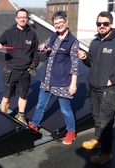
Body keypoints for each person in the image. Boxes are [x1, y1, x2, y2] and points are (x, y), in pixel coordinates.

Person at [78, 11, 115, 164]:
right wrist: (85, 59)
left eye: (105, 23)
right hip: (94, 88)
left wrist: (113, 79)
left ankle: (106, 153)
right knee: (96, 118)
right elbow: (91, 63)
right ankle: (98, 139)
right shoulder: (95, 42)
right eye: (99, 24)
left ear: (111, 24)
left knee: (106, 122)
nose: (101, 26)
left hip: (107, 90)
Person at [28, 11, 79, 145]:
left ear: (66, 22)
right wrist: (42, 47)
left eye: (60, 22)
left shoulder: (72, 42)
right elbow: (41, 49)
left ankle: (71, 131)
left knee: (65, 110)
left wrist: (73, 84)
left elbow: (75, 64)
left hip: (62, 82)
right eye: (55, 23)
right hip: (47, 80)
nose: (58, 25)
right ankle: (34, 124)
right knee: (40, 105)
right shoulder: (53, 37)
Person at [0, 8, 39, 124]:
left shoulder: (32, 34)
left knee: (23, 96)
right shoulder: (8, 33)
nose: (23, 19)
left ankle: (21, 116)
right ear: (16, 19)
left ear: (27, 19)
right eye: (20, 17)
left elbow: (36, 53)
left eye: (25, 17)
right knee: (7, 96)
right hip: (10, 71)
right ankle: (2, 115)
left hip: (25, 72)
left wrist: (32, 66)